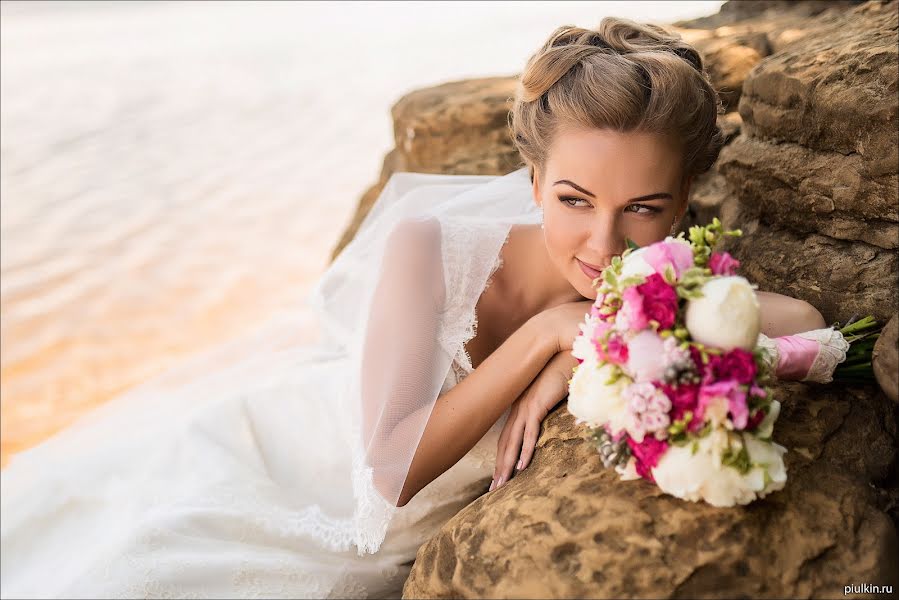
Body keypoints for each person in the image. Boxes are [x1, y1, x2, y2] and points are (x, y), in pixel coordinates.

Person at [0, 17, 827, 599]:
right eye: (572, 199)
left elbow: (800, 320)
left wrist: (597, 337)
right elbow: (389, 473)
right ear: (533, 181)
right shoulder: (428, 247)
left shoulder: (659, 272)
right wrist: (544, 336)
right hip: (309, 466)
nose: (605, 241)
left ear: (684, 197)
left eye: (644, 207)